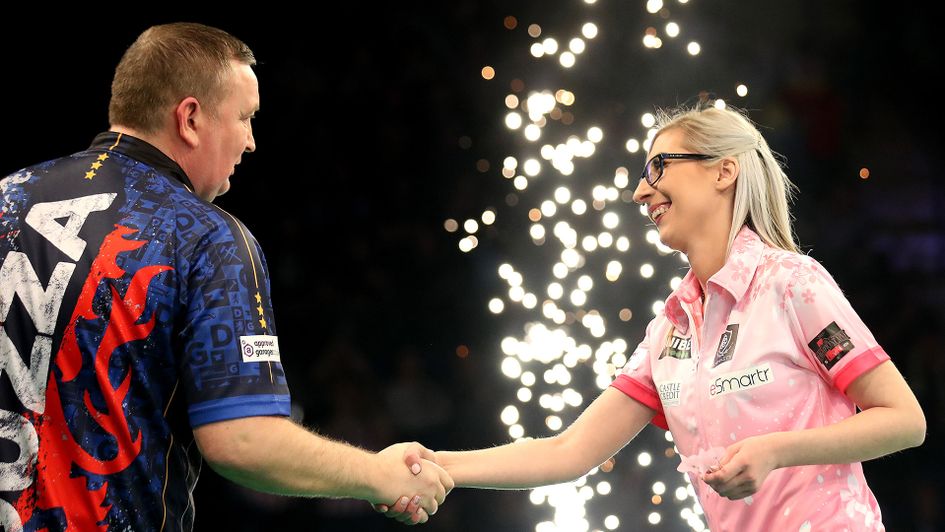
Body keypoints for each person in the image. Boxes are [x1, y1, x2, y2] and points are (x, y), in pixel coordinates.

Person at [380, 105, 926, 530]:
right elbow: (569, 452)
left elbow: (905, 420)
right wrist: (435, 464)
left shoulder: (793, 283)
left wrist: (776, 450)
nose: (641, 190)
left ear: (724, 172)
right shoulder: (670, 330)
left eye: (659, 166)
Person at [0, 22, 450, 531]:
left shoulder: (9, 197)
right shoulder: (206, 236)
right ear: (190, 118)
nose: (252, 141)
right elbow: (241, 440)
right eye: (245, 118)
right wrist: (378, 473)